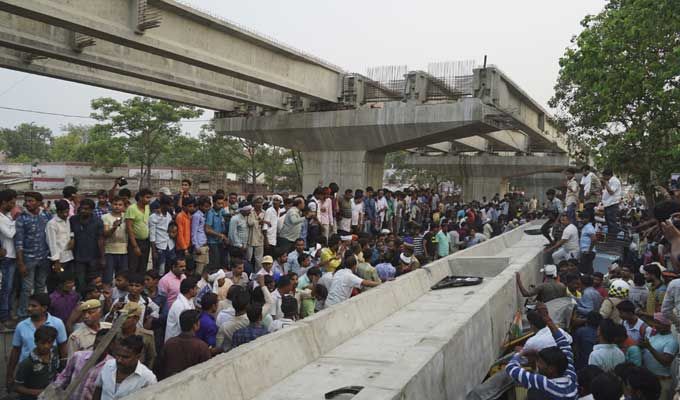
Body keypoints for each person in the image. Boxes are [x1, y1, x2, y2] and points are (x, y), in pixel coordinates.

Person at [505, 303, 578, 398]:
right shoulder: (571, 375)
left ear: (551, 369)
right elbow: (563, 343)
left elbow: (510, 368)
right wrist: (548, 320)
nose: (538, 365)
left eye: (540, 363)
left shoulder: (545, 384)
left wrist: (520, 353)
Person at [6, 293, 68, 390]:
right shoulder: (21, 326)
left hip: (50, 370)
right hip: (28, 372)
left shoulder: (57, 323)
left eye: (33, 306)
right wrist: (9, 375)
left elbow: (63, 347)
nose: (29, 308)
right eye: (29, 305)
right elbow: (16, 351)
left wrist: (64, 370)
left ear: (44, 308)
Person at [15, 191, 51, 321]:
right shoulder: (22, 218)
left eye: (31, 201)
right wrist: (20, 263)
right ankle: (23, 315)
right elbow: (18, 242)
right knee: (27, 288)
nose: (28, 203)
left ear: (39, 203)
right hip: (28, 259)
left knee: (41, 286)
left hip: (44, 258)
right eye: (27, 201)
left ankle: (40, 312)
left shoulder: (46, 216)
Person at [54, 329, 114, 400]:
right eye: (97, 342)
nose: (98, 346)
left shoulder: (112, 366)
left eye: (103, 344)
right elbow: (64, 377)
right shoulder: (78, 356)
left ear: (111, 345)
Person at [93, 335, 157, 400]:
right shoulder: (108, 365)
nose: (119, 360)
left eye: (125, 357)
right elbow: (98, 390)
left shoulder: (148, 379)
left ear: (138, 357)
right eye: (118, 355)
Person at [157, 309, 211, 380]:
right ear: (195, 325)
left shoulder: (169, 343)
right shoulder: (201, 346)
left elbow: (160, 367)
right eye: (198, 322)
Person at [13, 325, 59, 400]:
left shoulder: (54, 351)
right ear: (35, 342)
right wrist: (39, 392)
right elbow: (16, 387)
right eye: (43, 343)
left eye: (50, 342)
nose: (47, 346)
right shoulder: (27, 363)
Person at [639, 313, 677, 399]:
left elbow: (666, 362)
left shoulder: (671, 341)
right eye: (654, 322)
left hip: (661, 381)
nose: (654, 325)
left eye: (657, 323)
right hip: (649, 379)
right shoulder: (655, 335)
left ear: (666, 325)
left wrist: (649, 347)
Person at [70, 198, 105, 289]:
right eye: (82, 208)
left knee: (93, 283)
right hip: (78, 257)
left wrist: (102, 257)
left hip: (93, 257)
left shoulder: (98, 221)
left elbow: (100, 240)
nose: (83, 211)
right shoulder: (73, 220)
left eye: (86, 209)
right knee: (79, 282)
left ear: (92, 210)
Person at [46, 200, 74, 288]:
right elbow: (52, 244)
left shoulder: (68, 220)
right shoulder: (52, 224)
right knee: (57, 283)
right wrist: (56, 261)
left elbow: (71, 232)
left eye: (67, 212)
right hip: (59, 259)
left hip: (69, 257)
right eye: (63, 213)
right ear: (58, 211)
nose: (65, 215)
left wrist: (72, 238)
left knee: (67, 282)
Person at [101, 196, 128, 285]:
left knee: (122, 277)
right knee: (108, 277)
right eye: (115, 204)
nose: (117, 206)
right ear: (111, 205)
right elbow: (105, 234)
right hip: (110, 251)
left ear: (123, 206)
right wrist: (114, 227)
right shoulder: (105, 217)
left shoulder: (126, 217)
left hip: (124, 251)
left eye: (120, 205)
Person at [0, 189, 17, 328]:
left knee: (10, 288)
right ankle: (4, 317)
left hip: (13, 255)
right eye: (12, 202)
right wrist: (18, 220)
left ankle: (9, 313)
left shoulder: (6, 216)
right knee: (6, 288)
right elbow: (10, 233)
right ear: (4, 202)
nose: (14, 205)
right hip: (7, 258)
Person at [125, 188, 152, 274]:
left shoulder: (147, 207)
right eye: (147, 197)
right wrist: (135, 246)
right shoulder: (132, 208)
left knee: (143, 266)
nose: (149, 200)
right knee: (133, 266)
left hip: (146, 242)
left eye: (150, 198)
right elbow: (129, 228)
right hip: (135, 242)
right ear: (140, 197)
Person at [165, 277, 197, 342]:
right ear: (191, 290)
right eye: (196, 288)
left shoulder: (190, 300)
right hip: (174, 342)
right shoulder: (179, 305)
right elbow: (184, 327)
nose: (197, 290)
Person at [149, 195, 174, 275]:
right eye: (168, 205)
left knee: (169, 267)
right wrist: (154, 251)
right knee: (160, 269)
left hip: (170, 245)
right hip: (160, 245)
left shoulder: (169, 216)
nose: (170, 207)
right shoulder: (153, 217)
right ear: (162, 205)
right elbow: (152, 235)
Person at [206, 193, 227, 270]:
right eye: (219, 203)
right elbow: (207, 229)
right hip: (212, 242)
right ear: (214, 203)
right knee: (215, 263)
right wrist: (220, 235)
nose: (221, 205)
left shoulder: (222, 211)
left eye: (222, 203)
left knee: (221, 262)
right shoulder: (210, 213)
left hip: (220, 241)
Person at [192, 196, 211, 274]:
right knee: (199, 270)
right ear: (200, 206)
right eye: (205, 207)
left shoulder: (203, 215)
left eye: (208, 207)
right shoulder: (196, 216)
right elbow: (194, 232)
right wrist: (196, 246)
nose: (207, 208)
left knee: (205, 268)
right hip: (199, 245)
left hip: (204, 244)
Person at [246, 197, 266, 272]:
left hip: (260, 238)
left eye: (260, 203)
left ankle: (258, 275)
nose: (259, 204)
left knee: (259, 260)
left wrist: (262, 222)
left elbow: (266, 225)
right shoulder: (250, 212)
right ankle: (248, 273)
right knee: (248, 258)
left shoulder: (264, 212)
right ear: (254, 204)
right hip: (250, 238)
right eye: (257, 202)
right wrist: (259, 222)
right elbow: (250, 222)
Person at [600, 169, 622, 237]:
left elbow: (611, 192)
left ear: (608, 175)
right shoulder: (609, 181)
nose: (603, 177)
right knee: (609, 222)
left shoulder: (614, 181)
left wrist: (605, 183)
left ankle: (612, 238)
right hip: (608, 204)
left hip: (612, 204)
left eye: (604, 176)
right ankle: (611, 237)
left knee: (611, 222)